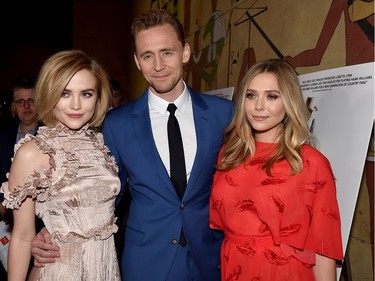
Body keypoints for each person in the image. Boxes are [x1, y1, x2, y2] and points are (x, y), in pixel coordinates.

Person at [31, 9, 234, 281]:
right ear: (138, 61)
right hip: (146, 262)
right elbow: (103, 192)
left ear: (185, 52)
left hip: (211, 259)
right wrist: (55, 229)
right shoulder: (118, 123)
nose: (158, 65)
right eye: (148, 56)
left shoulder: (224, 114)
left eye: (167, 52)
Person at [209, 58, 344, 281]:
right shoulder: (229, 154)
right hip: (234, 267)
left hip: (282, 272)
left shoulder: (311, 163)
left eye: (272, 96)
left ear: (289, 102)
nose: (259, 106)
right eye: (251, 95)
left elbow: (323, 248)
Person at [1, 49, 121, 280]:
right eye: (65, 93)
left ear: (98, 97)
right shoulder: (31, 152)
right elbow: (22, 235)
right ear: (49, 93)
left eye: (86, 94)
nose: (76, 104)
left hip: (105, 269)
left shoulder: (100, 142)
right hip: (61, 271)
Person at [0, 75, 40, 278]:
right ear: (13, 107)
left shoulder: (49, 137)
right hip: (3, 221)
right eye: (20, 101)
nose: (26, 106)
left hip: (39, 226)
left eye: (31, 100)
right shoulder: (2, 137)